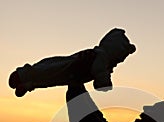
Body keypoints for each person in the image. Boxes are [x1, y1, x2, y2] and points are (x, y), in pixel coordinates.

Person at [8, 28, 136, 97]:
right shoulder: (101, 59)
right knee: (50, 73)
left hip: (71, 71)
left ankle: (26, 80)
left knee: (51, 70)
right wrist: (106, 81)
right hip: (71, 72)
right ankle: (24, 76)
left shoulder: (99, 55)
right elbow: (102, 84)